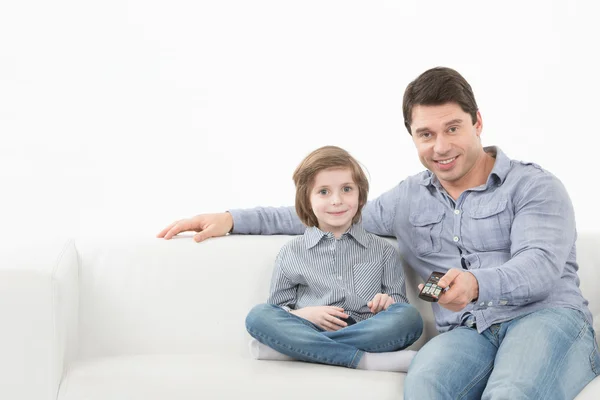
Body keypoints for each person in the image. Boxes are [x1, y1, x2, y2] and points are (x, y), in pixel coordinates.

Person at [157, 67, 599, 399]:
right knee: (423, 388)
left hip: (544, 319)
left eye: (452, 128)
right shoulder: (409, 198)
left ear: (477, 122)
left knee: (511, 393)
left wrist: (477, 283)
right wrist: (232, 218)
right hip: (465, 332)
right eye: (425, 134)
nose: (440, 146)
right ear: (411, 136)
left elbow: (539, 266)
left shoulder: (534, 186)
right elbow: (327, 212)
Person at [245, 145, 423, 372]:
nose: (337, 200)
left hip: (365, 329)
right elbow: (278, 309)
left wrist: (387, 305)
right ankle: (364, 360)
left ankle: (295, 352)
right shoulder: (291, 252)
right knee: (258, 316)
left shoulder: (383, 250)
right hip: (308, 328)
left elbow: (398, 304)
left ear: (360, 196)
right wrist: (305, 314)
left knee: (409, 318)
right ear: (307, 200)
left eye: (347, 189)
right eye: (323, 192)